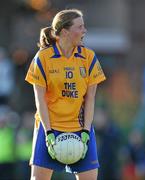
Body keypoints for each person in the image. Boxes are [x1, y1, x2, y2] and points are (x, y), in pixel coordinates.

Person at [25, 9, 106, 180]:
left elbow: (90, 99)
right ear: (64, 32)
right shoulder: (43, 58)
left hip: (80, 129)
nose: (85, 31)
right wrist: (48, 133)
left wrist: (86, 131)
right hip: (50, 129)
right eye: (80, 27)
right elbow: (39, 100)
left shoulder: (89, 57)